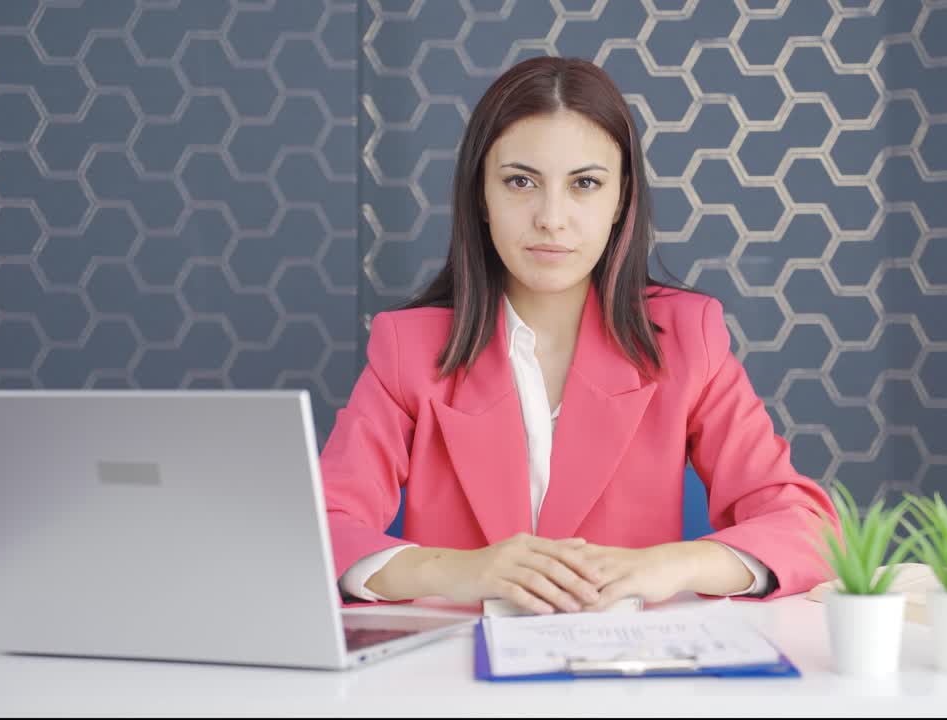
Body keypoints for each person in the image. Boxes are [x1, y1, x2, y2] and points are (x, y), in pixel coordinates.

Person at [320, 56, 837, 615]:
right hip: (454, 675)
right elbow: (319, 530)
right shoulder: (409, 348)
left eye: (585, 184)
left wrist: (666, 565)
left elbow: (807, 529)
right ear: (481, 197)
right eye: (521, 181)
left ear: (621, 201)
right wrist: (464, 570)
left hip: (629, 675)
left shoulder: (689, 337)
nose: (551, 217)